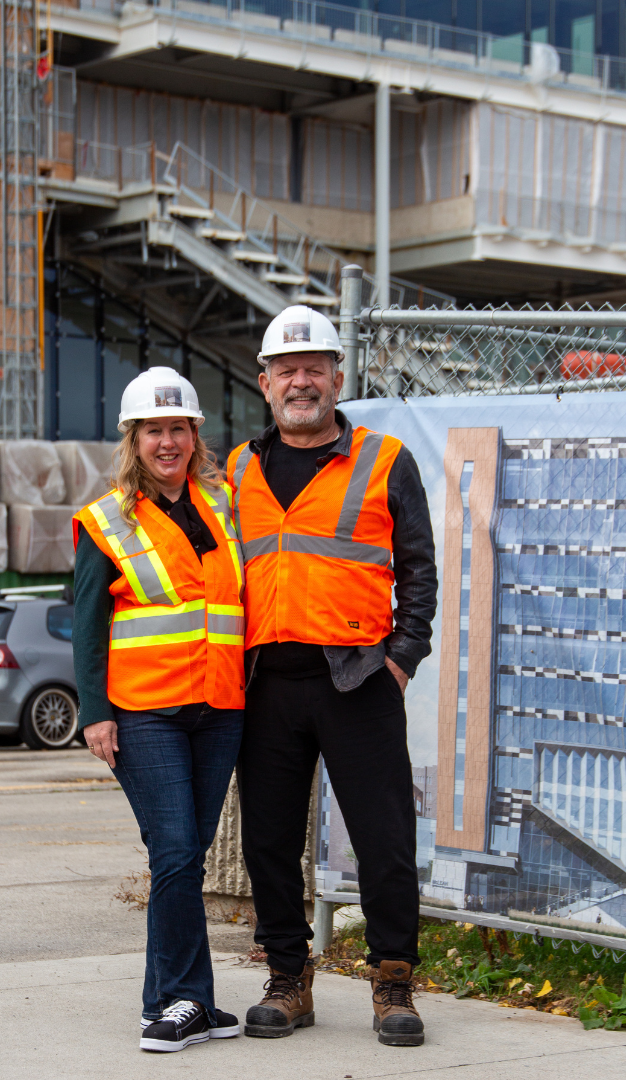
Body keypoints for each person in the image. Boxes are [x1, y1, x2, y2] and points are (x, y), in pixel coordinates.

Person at [231, 305, 437, 1047]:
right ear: (264, 383)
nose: (302, 379)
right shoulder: (240, 467)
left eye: (315, 366)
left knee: (384, 842)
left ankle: (394, 982)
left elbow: (418, 567)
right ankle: (289, 978)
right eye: (287, 368)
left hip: (357, 680)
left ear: (339, 377)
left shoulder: (384, 459)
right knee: (268, 843)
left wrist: (402, 659)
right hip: (267, 686)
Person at [75, 368, 246, 1053]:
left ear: (196, 435)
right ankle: (181, 1001)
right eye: (155, 430)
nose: (168, 441)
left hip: (220, 705)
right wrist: (95, 713)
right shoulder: (107, 518)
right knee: (175, 851)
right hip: (144, 711)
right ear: (134, 439)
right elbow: (87, 620)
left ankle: (178, 1000)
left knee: (185, 856)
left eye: (179, 428)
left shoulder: (226, 503)